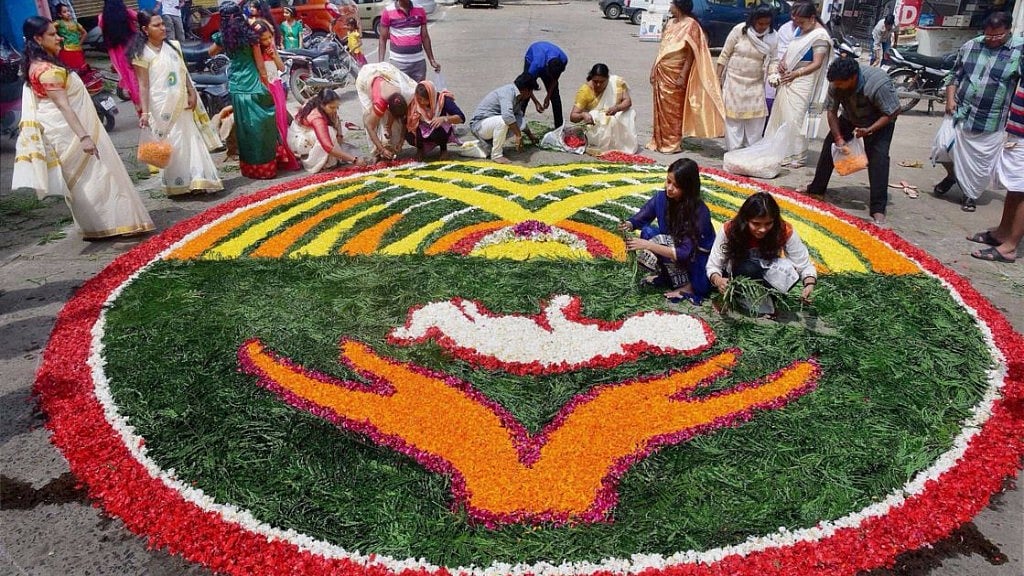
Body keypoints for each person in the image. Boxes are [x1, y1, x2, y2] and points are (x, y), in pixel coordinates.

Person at [12, 16, 154, 239]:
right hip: (71, 132)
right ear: (38, 39)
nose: (59, 38)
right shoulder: (46, 70)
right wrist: (84, 137)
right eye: (52, 34)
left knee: (88, 179)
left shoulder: (36, 65)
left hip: (63, 131)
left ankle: (97, 226)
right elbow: (63, 106)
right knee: (98, 175)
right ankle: (115, 222)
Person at [936, 12, 1022, 212]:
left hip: (992, 118)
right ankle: (953, 175)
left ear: (1008, 31)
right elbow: (954, 75)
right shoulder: (971, 46)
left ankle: (969, 194)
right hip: (961, 111)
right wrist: (950, 99)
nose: (992, 40)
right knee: (942, 148)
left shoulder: (1019, 50)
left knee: (979, 163)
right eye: (988, 35)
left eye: (998, 36)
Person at [131, 11, 223, 196]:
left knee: (190, 140)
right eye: (156, 25)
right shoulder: (141, 54)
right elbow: (143, 85)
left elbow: (183, 72)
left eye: (162, 24)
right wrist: (145, 113)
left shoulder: (173, 46)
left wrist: (191, 92)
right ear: (145, 29)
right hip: (160, 106)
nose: (163, 28)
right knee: (172, 144)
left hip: (182, 102)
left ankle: (198, 180)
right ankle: (178, 186)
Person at [801, 58, 899, 225]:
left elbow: (892, 112)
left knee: (879, 159)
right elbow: (831, 112)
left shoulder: (878, 83)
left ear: (853, 78)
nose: (837, 86)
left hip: (879, 120)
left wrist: (870, 129)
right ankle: (816, 188)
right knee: (830, 146)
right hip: (850, 116)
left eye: (840, 84)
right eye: (835, 84)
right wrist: (839, 138)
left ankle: (878, 207)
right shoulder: (835, 84)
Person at [618, 158, 714, 304]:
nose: (669, 188)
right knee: (648, 232)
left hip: (696, 259)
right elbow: (642, 217)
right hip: (673, 247)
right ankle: (668, 276)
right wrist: (629, 225)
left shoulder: (699, 211)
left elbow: (684, 252)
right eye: (668, 181)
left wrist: (648, 245)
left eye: (676, 186)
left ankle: (688, 286)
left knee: (701, 286)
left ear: (688, 188)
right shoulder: (661, 198)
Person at [706, 192, 817, 316]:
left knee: (790, 271)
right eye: (756, 224)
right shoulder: (730, 229)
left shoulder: (783, 230)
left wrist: (809, 284)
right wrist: (718, 280)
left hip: (767, 272)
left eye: (768, 223)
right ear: (745, 220)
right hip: (739, 274)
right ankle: (739, 297)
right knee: (749, 269)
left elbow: (803, 264)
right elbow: (713, 265)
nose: (762, 229)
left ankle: (766, 298)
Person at [209, 2, 285, 179]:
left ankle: (250, 169)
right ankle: (266, 167)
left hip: (237, 86)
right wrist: (266, 85)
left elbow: (211, 52)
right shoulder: (250, 36)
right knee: (262, 126)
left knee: (245, 129)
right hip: (253, 84)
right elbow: (260, 65)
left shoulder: (224, 37)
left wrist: (224, 42)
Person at [647, 0, 725, 154]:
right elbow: (662, 48)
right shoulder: (670, 23)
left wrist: (683, 74)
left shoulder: (691, 25)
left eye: (672, 4)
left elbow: (691, 53)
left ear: (679, 6)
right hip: (662, 70)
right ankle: (659, 140)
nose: (670, 7)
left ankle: (672, 143)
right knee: (660, 107)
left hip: (676, 72)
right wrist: (653, 68)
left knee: (673, 110)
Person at [763, 1, 832, 168]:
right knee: (783, 116)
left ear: (812, 18)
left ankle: (797, 154)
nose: (798, 25)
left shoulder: (820, 36)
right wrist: (782, 63)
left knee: (796, 118)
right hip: (789, 77)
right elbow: (790, 48)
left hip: (804, 80)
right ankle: (782, 152)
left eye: (801, 22)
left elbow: (817, 63)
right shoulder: (801, 29)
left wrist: (796, 74)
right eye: (796, 22)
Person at [967, 81, 1024, 264]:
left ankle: (1010, 247)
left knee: (1022, 189)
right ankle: (1002, 233)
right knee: (1015, 187)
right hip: (1018, 131)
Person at [716, 5, 777, 151]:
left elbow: (774, 60)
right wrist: (717, 78)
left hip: (755, 83)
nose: (763, 27)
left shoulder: (772, 36)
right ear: (753, 20)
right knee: (733, 119)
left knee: (756, 119)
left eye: (766, 24)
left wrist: (773, 75)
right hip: (734, 81)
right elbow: (724, 54)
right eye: (760, 23)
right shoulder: (740, 30)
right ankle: (734, 151)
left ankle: (751, 152)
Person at [253, 18, 300, 171]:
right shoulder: (255, 52)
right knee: (272, 123)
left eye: (269, 37)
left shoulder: (271, 47)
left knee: (281, 120)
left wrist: (274, 55)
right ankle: (277, 156)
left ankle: (286, 154)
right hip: (266, 88)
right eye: (264, 39)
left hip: (277, 86)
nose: (268, 41)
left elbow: (281, 68)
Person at [287, 89, 368, 172]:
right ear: (322, 105)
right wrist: (354, 160)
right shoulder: (316, 117)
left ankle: (332, 158)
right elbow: (327, 146)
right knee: (330, 132)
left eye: (337, 107)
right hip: (299, 140)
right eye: (332, 107)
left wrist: (339, 136)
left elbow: (337, 121)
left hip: (310, 133)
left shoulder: (323, 104)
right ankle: (318, 163)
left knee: (333, 132)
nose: (335, 110)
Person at [568, 63, 638, 154]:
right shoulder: (585, 91)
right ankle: (599, 144)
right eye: (595, 81)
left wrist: (617, 108)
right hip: (595, 127)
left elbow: (628, 101)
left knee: (628, 113)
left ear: (608, 79)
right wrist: (583, 115)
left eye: (602, 82)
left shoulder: (615, 83)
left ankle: (620, 144)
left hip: (614, 118)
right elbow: (573, 116)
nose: (598, 85)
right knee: (594, 114)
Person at [469, 73, 538, 164]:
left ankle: (488, 146)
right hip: (479, 125)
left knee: (516, 122)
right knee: (503, 121)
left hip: (490, 125)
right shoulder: (508, 92)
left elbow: (519, 119)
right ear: (526, 90)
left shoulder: (518, 97)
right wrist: (518, 135)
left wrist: (530, 135)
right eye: (531, 91)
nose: (530, 95)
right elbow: (507, 116)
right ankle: (496, 155)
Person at [355, 62, 417, 160]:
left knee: (394, 125)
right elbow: (369, 126)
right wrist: (381, 149)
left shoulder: (405, 93)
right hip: (365, 78)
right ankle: (377, 152)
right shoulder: (379, 103)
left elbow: (404, 118)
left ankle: (390, 146)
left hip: (386, 72)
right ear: (388, 107)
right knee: (371, 118)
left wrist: (400, 139)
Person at [379, 0, 440, 83]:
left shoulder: (420, 10)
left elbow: (425, 37)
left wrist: (432, 60)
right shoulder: (388, 11)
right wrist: (381, 63)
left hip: (418, 63)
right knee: (400, 90)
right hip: (398, 63)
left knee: (419, 90)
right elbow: (383, 38)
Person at [405, 80, 465, 160]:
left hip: (439, 131)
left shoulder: (443, 100)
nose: (422, 102)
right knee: (408, 131)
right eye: (419, 99)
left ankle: (443, 149)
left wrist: (444, 119)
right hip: (423, 131)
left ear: (431, 96)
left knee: (437, 128)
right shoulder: (415, 102)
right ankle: (420, 149)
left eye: (425, 100)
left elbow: (461, 118)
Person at [100, 0, 142, 115]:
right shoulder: (127, 13)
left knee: (129, 80)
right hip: (132, 48)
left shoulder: (102, 18)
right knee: (138, 77)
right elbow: (142, 18)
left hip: (116, 53)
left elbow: (102, 28)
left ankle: (139, 108)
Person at [523, 41, 569, 128]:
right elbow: (526, 86)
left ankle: (559, 127)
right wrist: (536, 102)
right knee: (524, 96)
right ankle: (518, 125)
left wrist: (548, 96)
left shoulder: (563, 59)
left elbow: (555, 80)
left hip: (547, 61)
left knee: (555, 96)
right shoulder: (536, 65)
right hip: (532, 58)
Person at [54, 4, 87, 70]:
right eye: (64, 12)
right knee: (70, 68)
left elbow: (84, 33)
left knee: (81, 68)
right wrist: (58, 37)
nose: (68, 13)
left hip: (77, 49)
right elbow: (49, 29)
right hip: (66, 49)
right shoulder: (59, 23)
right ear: (60, 15)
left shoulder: (75, 23)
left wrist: (80, 43)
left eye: (68, 11)